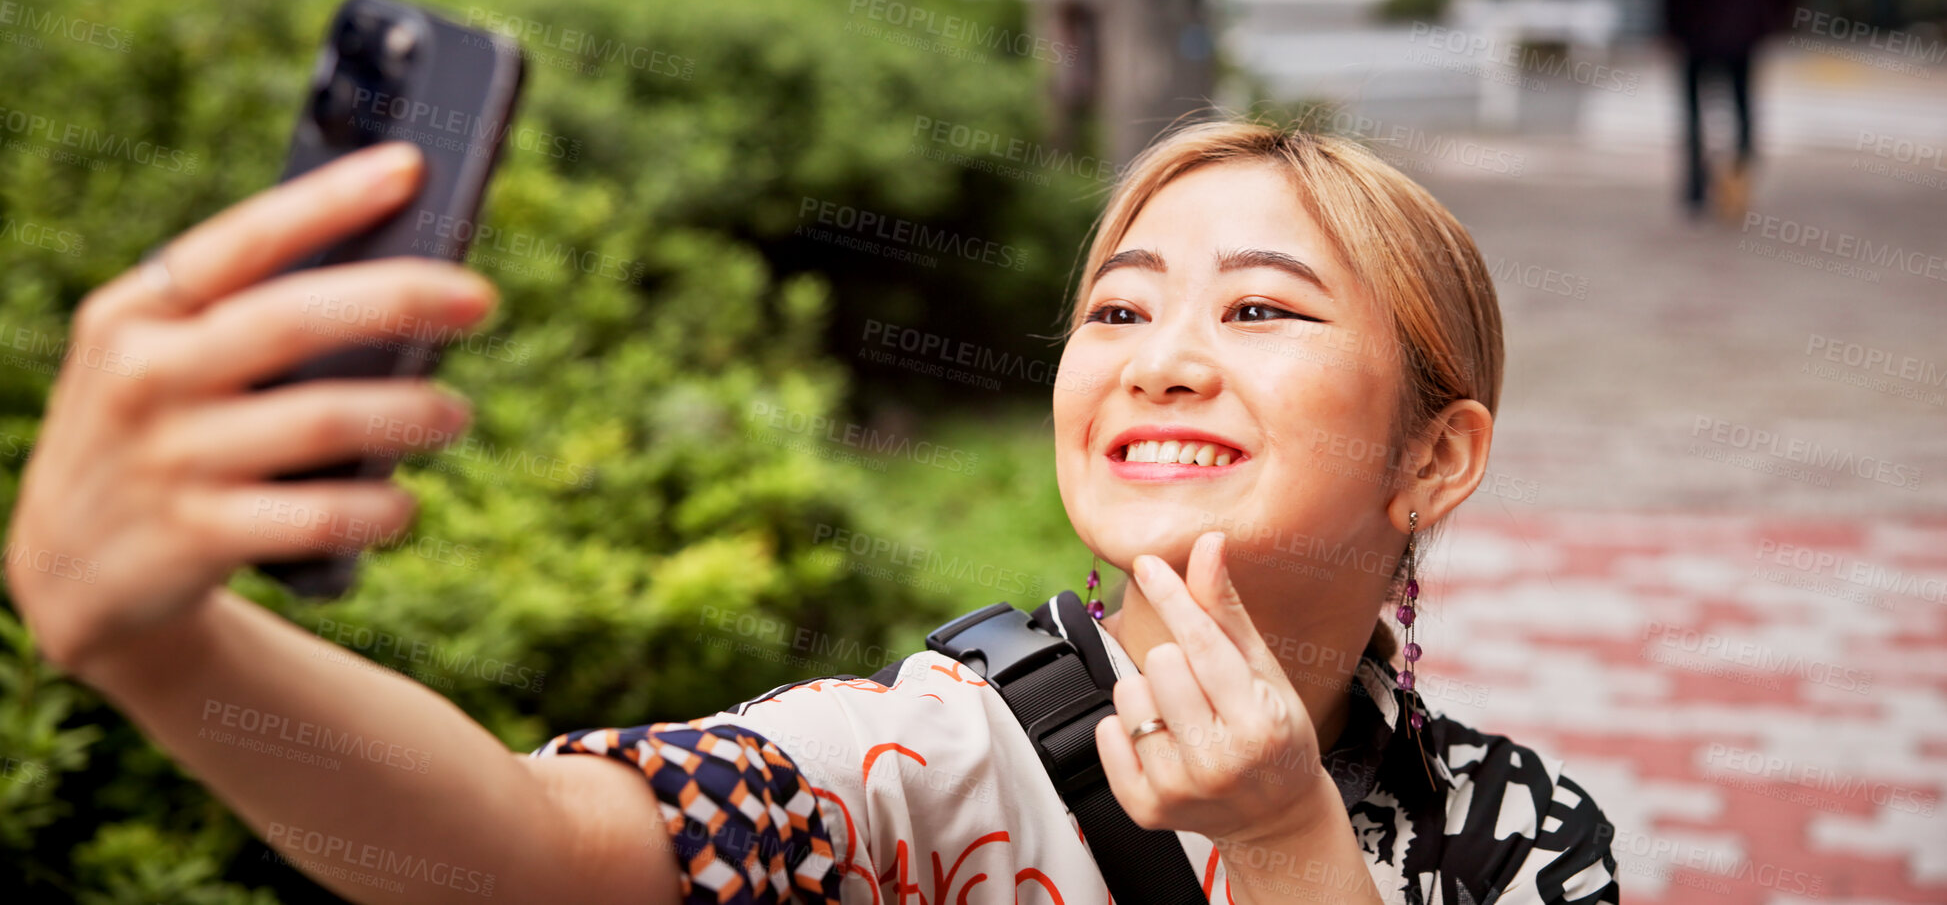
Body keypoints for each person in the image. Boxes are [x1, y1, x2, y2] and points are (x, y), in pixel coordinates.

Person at [5, 121, 1620, 904]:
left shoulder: (1522, 834)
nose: (1163, 362)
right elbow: (520, 851)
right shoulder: (928, 758)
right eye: (1118, 315)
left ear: (1435, 456)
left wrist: (1280, 836)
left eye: (1261, 313)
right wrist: (166, 645)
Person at [1660, 0, 1800, 219]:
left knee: (1695, 113)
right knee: (1742, 111)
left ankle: (1696, 191)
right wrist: (1773, 19)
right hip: (1745, 32)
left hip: (1698, 32)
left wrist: (1670, 26)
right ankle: (1736, 188)